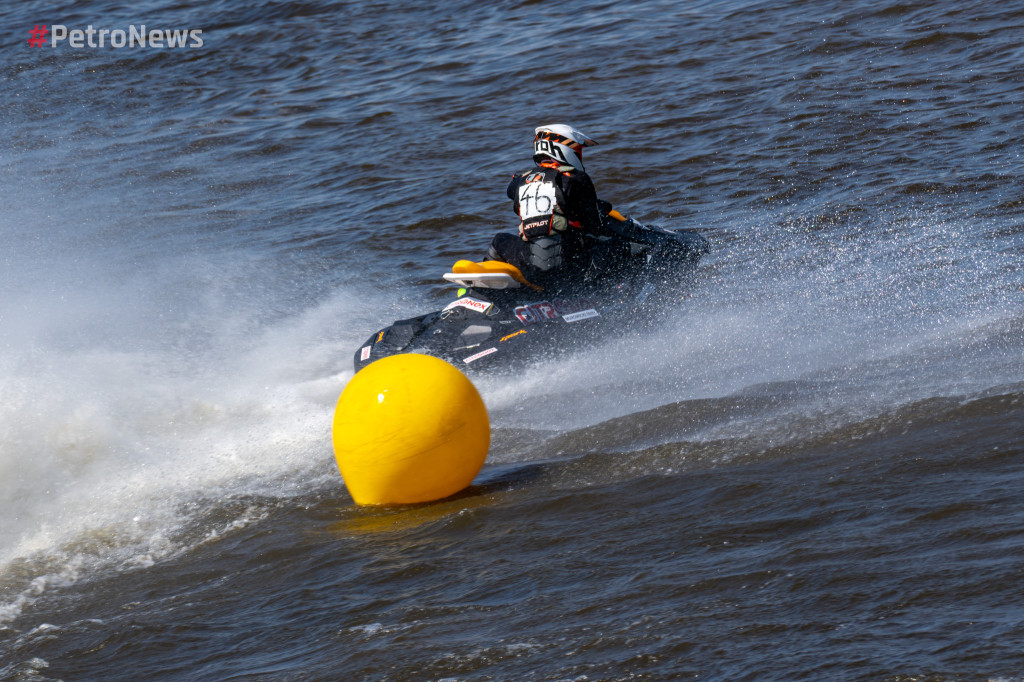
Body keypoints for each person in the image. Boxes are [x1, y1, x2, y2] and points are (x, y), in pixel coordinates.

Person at [488, 124, 611, 284]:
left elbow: (511, 192)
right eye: (579, 150)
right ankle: (608, 289)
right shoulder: (575, 179)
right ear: (563, 148)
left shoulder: (520, 181)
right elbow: (595, 226)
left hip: (529, 264)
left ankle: (486, 291)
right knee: (610, 244)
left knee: (499, 239)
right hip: (568, 263)